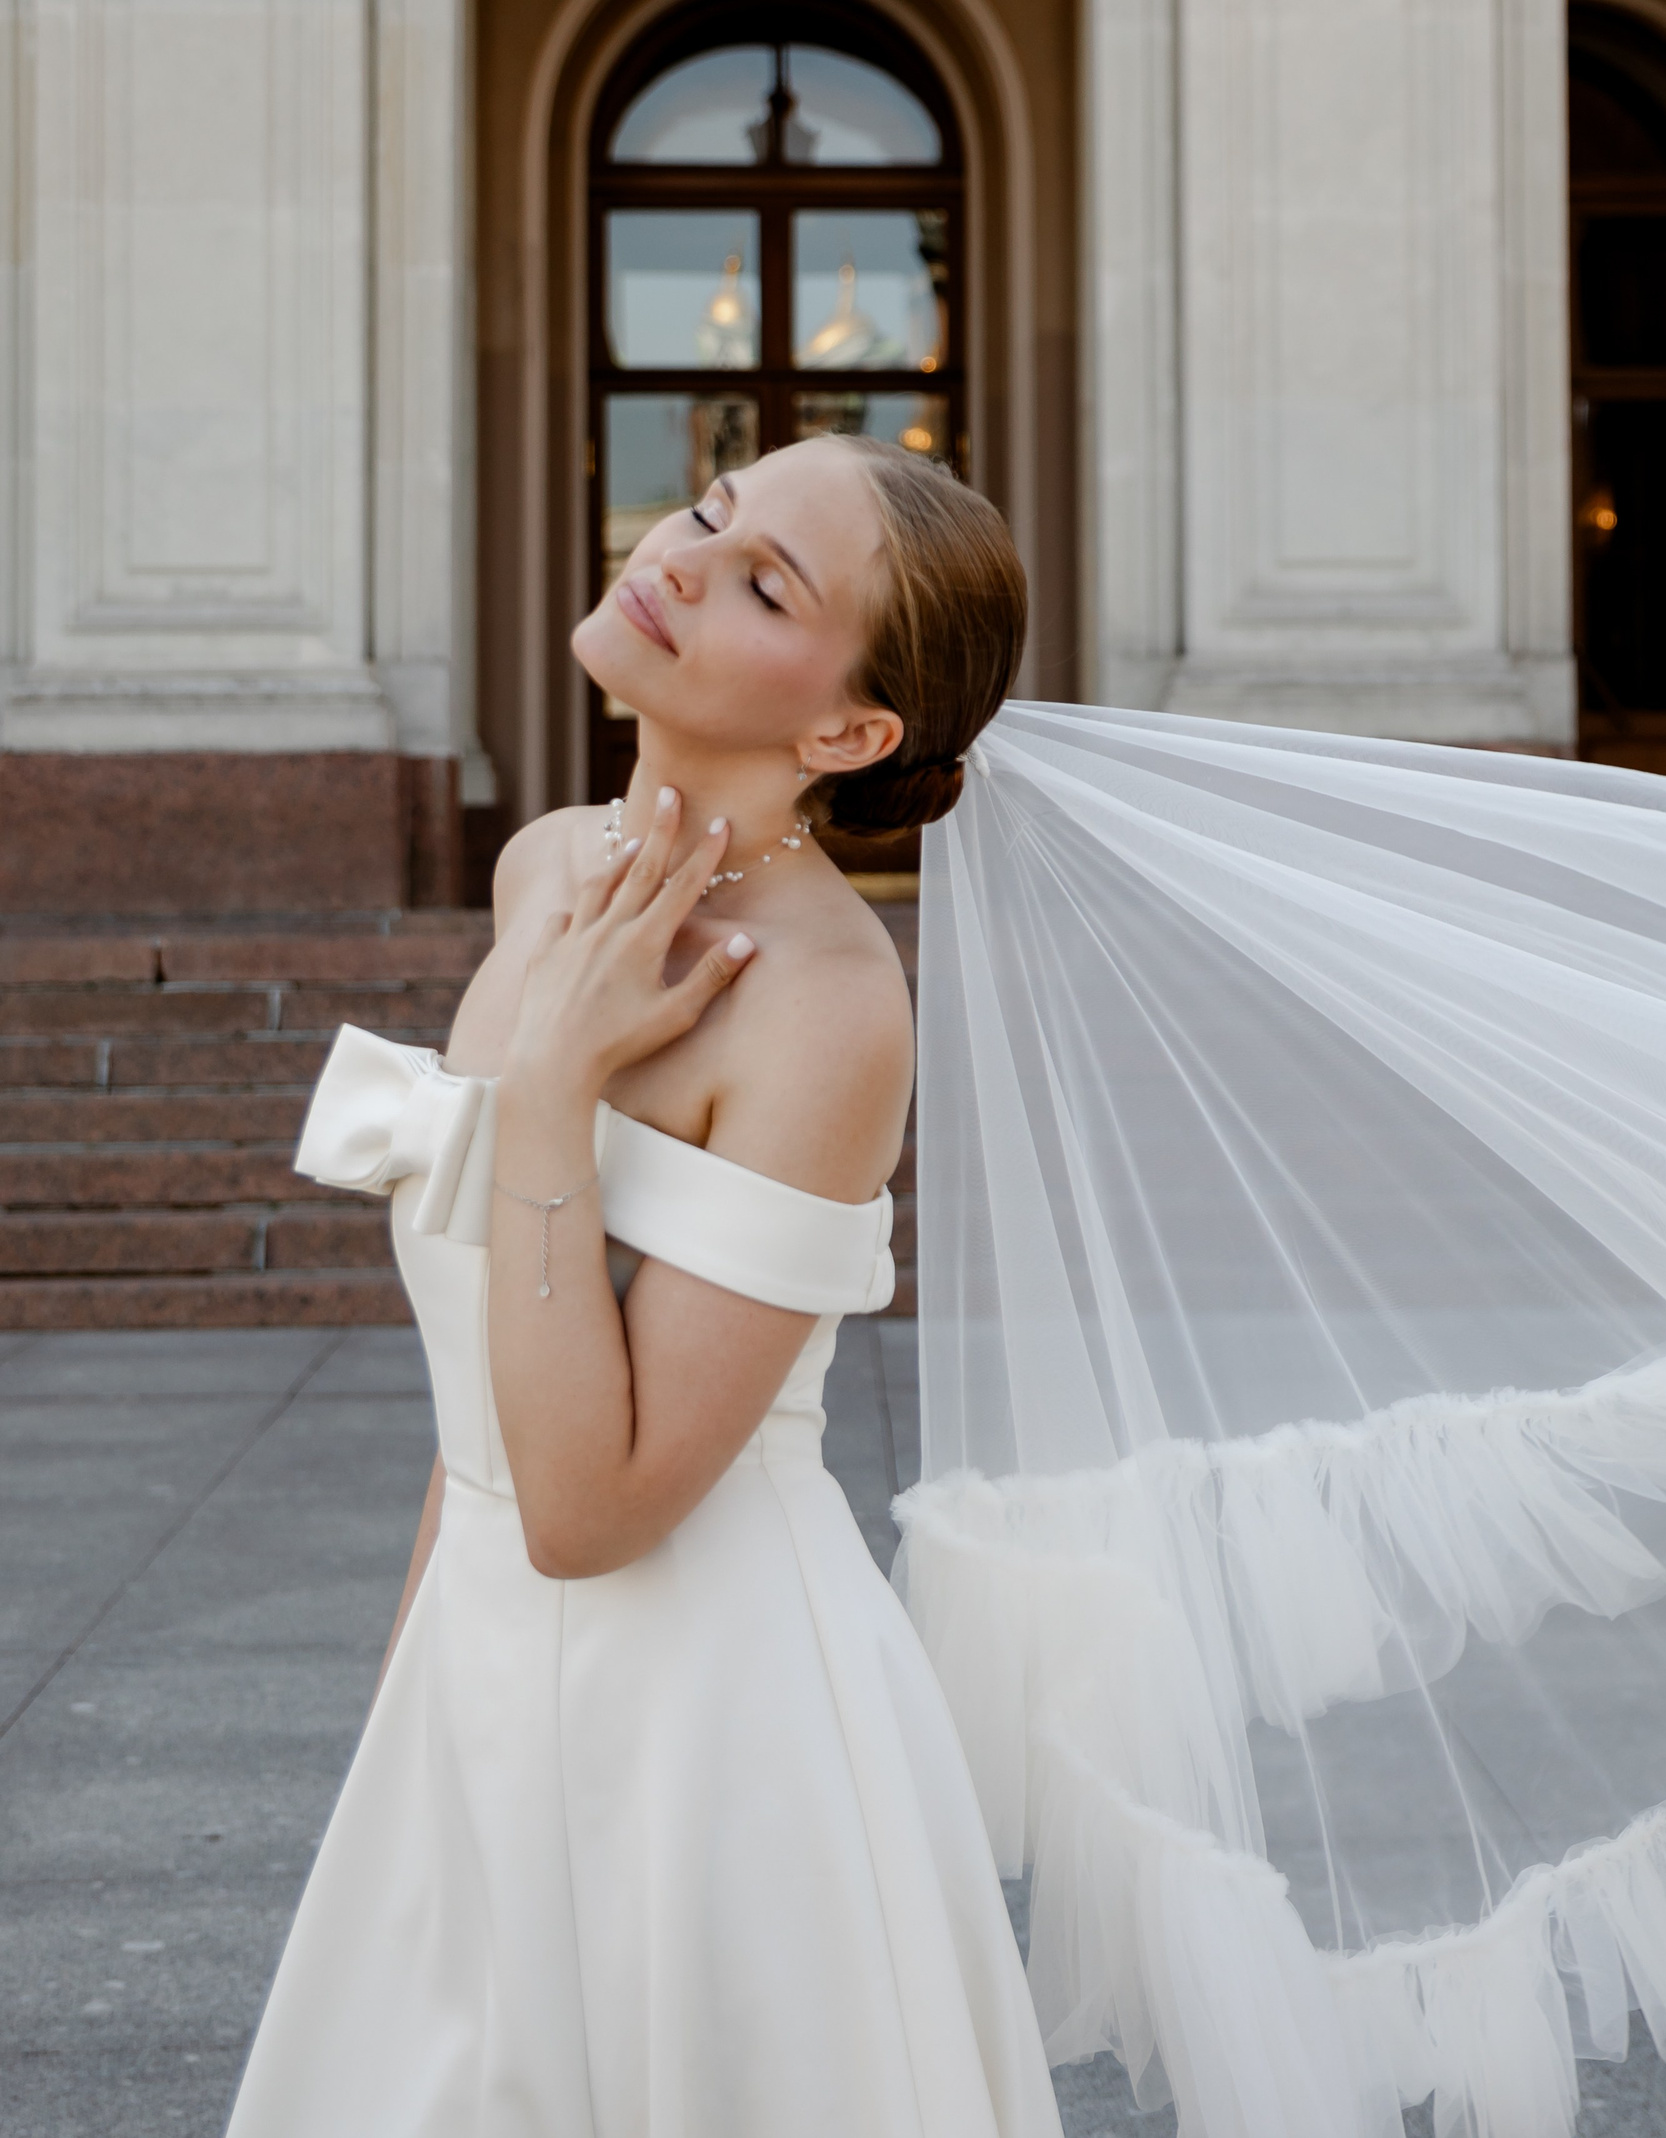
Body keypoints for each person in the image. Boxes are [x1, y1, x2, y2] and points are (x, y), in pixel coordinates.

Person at [226, 436, 1062, 2137]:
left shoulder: (829, 1004)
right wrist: (410, 1708)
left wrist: (547, 1094)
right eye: (710, 512)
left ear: (847, 732)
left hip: (703, 1727)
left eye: (768, 582)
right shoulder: (548, 864)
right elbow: (487, 1406)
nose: (681, 558)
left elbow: (593, 1508)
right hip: (468, 1657)